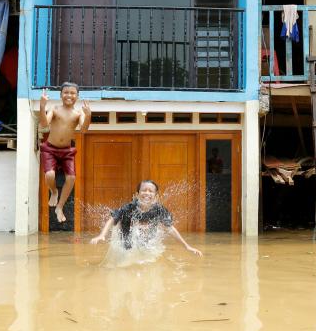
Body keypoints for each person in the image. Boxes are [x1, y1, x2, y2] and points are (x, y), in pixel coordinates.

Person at [90, 180, 203, 258]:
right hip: (126, 230)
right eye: (144, 190)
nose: (147, 193)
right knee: (127, 248)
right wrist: (102, 235)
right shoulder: (130, 207)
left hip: (145, 233)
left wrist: (187, 246)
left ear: (156, 196)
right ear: (137, 194)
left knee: (146, 247)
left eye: (151, 191)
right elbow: (112, 219)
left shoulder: (159, 210)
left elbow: (170, 229)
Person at [38, 82, 91, 222]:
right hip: (50, 148)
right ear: (61, 95)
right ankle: (54, 192)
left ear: (77, 96)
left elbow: (84, 129)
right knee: (49, 175)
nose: (69, 95)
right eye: (66, 92)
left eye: (73, 93)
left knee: (71, 178)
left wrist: (89, 115)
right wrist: (42, 107)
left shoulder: (78, 113)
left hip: (66, 151)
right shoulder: (54, 109)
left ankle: (59, 207)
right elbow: (44, 124)